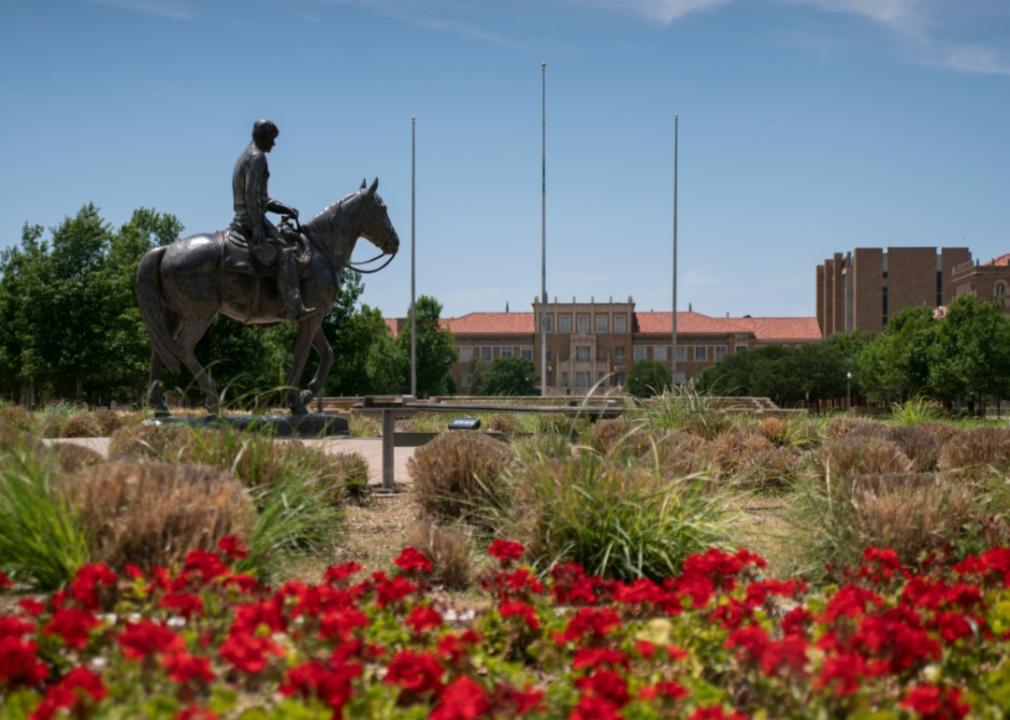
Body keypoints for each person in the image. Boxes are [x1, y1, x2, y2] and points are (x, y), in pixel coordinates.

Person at [231, 118, 315, 319]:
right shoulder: (257, 157)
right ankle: (294, 304)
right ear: (263, 137)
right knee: (286, 251)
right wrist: (258, 227)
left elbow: (262, 198)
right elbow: (251, 195)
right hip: (250, 219)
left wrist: (285, 208)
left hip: (246, 214)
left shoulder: (246, 155)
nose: (274, 144)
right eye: (272, 138)